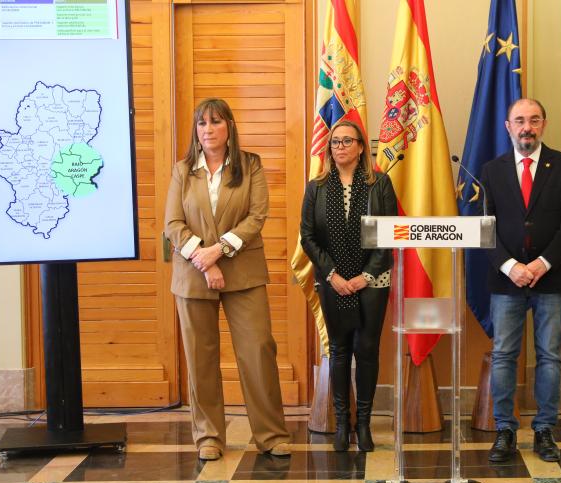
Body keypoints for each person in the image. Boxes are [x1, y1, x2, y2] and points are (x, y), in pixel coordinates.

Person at [164, 98, 291, 461]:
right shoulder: (182, 170)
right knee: (200, 358)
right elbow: (173, 225)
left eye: (216, 122)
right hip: (193, 275)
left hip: (243, 272)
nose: (208, 130)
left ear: (229, 127)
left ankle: (271, 434)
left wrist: (217, 251)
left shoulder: (250, 165)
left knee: (258, 352)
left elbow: (256, 216)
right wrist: (205, 262)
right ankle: (209, 437)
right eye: (202, 124)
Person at [480, 98, 561, 463]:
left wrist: (542, 263)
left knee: (550, 356)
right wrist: (511, 266)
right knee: (505, 356)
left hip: (551, 279)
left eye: (534, 120)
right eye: (520, 120)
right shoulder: (491, 170)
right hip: (507, 280)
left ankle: (544, 430)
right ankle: (505, 430)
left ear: (544, 124)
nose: (527, 127)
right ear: (508, 126)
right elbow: (485, 228)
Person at [300, 121, 397, 452]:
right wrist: (333, 275)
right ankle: (343, 424)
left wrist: (365, 277)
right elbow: (308, 237)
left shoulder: (379, 184)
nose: (339, 146)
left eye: (347, 141)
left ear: (360, 147)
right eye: (335, 142)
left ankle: (365, 425)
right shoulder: (317, 187)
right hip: (333, 281)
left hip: (372, 280)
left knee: (367, 350)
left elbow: (389, 234)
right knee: (339, 351)